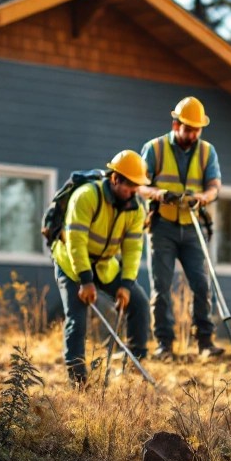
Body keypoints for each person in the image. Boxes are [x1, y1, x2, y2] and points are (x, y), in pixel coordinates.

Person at [53, 150, 151, 384]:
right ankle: (78, 381)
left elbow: (133, 250)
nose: (134, 193)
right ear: (115, 179)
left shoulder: (135, 208)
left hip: (105, 265)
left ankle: (134, 367)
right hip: (72, 264)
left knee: (139, 303)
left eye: (138, 187)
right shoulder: (86, 196)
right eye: (130, 186)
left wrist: (126, 285)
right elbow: (76, 243)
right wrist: (85, 281)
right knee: (77, 320)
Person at [138, 96, 225, 360]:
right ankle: (165, 344)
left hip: (192, 226)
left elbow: (214, 186)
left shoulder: (207, 151)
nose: (193, 134)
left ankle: (205, 343)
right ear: (176, 125)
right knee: (161, 286)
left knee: (202, 285)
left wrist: (204, 198)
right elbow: (139, 185)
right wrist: (159, 193)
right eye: (188, 128)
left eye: (197, 129)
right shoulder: (155, 148)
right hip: (162, 226)